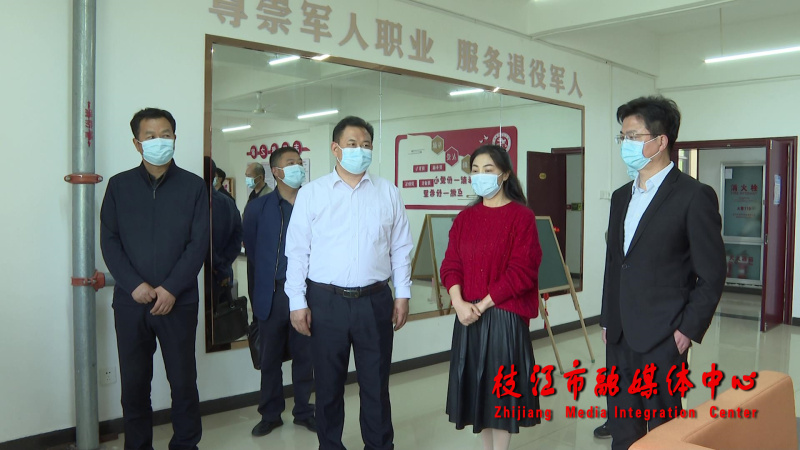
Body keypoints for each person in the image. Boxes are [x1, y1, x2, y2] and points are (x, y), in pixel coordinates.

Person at [601, 96, 725, 449]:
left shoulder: (693, 196)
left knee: (662, 431)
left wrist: (686, 331)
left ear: (660, 141)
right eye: (622, 137)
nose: (625, 144)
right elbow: (615, 263)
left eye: (633, 136)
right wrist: (608, 319)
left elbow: (712, 273)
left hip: (664, 334)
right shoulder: (621, 197)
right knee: (623, 427)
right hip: (620, 334)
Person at [286, 116, 413, 450]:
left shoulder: (387, 192)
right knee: (328, 386)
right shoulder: (312, 194)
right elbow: (297, 253)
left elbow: (401, 247)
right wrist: (297, 302)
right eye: (353, 144)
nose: (361, 150)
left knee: (376, 384)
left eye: (366, 145)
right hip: (325, 302)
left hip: (375, 300)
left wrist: (402, 294)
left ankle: (379, 445)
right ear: (335, 148)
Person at [100, 108, 209, 450]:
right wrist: (133, 285)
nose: (159, 141)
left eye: (165, 135)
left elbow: (198, 243)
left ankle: (186, 444)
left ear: (175, 139)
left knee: (183, 383)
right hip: (131, 303)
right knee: (134, 387)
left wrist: (171, 288)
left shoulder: (193, 186)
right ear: (137, 143)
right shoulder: (119, 186)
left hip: (179, 302)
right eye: (150, 136)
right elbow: (109, 241)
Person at [440, 145, 543, 450]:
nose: (480, 176)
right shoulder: (465, 218)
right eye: (475, 170)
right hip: (467, 317)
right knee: (477, 395)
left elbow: (522, 271)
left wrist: (482, 304)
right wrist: (459, 303)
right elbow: (451, 265)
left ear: (505, 174)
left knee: (500, 397)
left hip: (503, 317)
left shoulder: (522, 217)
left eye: (488, 170)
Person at [242, 146, 316, 437]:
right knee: (270, 358)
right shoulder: (258, 208)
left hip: (306, 295)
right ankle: (270, 414)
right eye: (290, 162)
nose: (298, 166)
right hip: (272, 294)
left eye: (299, 162)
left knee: (304, 356)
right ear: (276, 172)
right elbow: (253, 254)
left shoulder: (313, 204)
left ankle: (304, 411)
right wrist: (257, 294)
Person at [206, 157, 242, 304]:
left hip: (206, 275)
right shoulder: (228, 201)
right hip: (225, 273)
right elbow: (237, 236)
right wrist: (224, 266)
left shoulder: (196, 202)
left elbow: (203, 241)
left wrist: (217, 266)